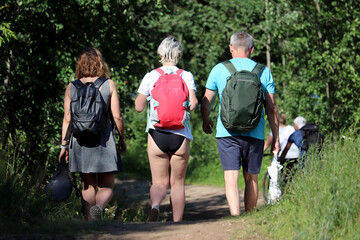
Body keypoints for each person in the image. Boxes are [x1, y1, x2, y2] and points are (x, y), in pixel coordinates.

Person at [201, 31, 280, 215]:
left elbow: (206, 102)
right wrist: (275, 137)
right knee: (251, 177)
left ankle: (235, 217)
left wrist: (206, 121)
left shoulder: (219, 69)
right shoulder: (263, 71)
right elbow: (272, 108)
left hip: (227, 131)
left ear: (231, 48)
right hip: (255, 132)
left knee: (231, 177)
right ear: (251, 49)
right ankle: (250, 217)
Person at [58, 47, 127, 220]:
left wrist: (63, 147)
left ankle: (89, 223)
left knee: (88, 186)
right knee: (107, 186)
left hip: (80, 141)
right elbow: (117, 116)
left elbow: (67, 119)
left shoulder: (71, 87)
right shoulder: (108, 84)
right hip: (104, 140)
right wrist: (122, 139)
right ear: (100, 63)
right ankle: (98, 207)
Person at [135, 36, 198, 222]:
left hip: (157, 134)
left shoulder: (151, 76)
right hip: (180, 134)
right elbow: (193, 104)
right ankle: (177, 224)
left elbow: (139, 107)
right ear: (178, 55)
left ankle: (155, 206)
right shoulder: (186, 75)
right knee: (177, 184)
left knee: (159, 182)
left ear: (159, 54)